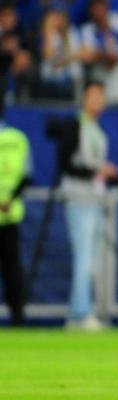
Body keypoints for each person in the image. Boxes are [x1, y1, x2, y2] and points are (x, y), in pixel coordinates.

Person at [51, 80, 118, 330]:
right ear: (84, 99)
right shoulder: (74, 125)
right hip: (79, 198)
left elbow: (97, 169)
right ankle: (81, 313)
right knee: (84, 258)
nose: (97, 101)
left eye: (101, 96)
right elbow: (66, 164)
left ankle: (77, 312)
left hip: (94, 199)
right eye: (93, 96)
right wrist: (97, 171)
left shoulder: (96, 129)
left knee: (91, 259)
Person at [0, 109, 30, 326]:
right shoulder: (18, 138)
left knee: (12, 270)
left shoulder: (18, 139)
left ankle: (17, 318)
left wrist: (9, 199)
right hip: (10, 211)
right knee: (13, 269)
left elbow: (26, 175)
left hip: (10, 216)